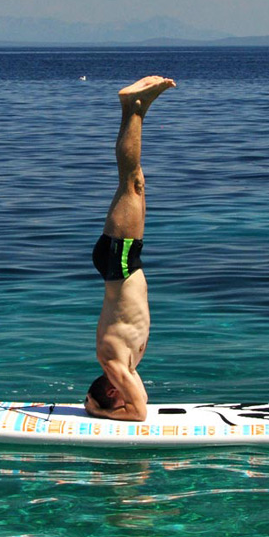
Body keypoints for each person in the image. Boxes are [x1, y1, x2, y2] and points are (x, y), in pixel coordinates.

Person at [84, 76, 176, 421]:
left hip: (119, 265)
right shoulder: (122, 367)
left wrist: (102, 414)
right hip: (120, 264)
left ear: (112, 390)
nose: (129, 396)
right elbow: (140, 401)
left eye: (117, 399)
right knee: (136, 182)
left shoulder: (114, 366)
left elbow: (139, 414)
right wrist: (104, 406)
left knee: (131, 181)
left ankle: (131, 105)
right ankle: (138, 108)